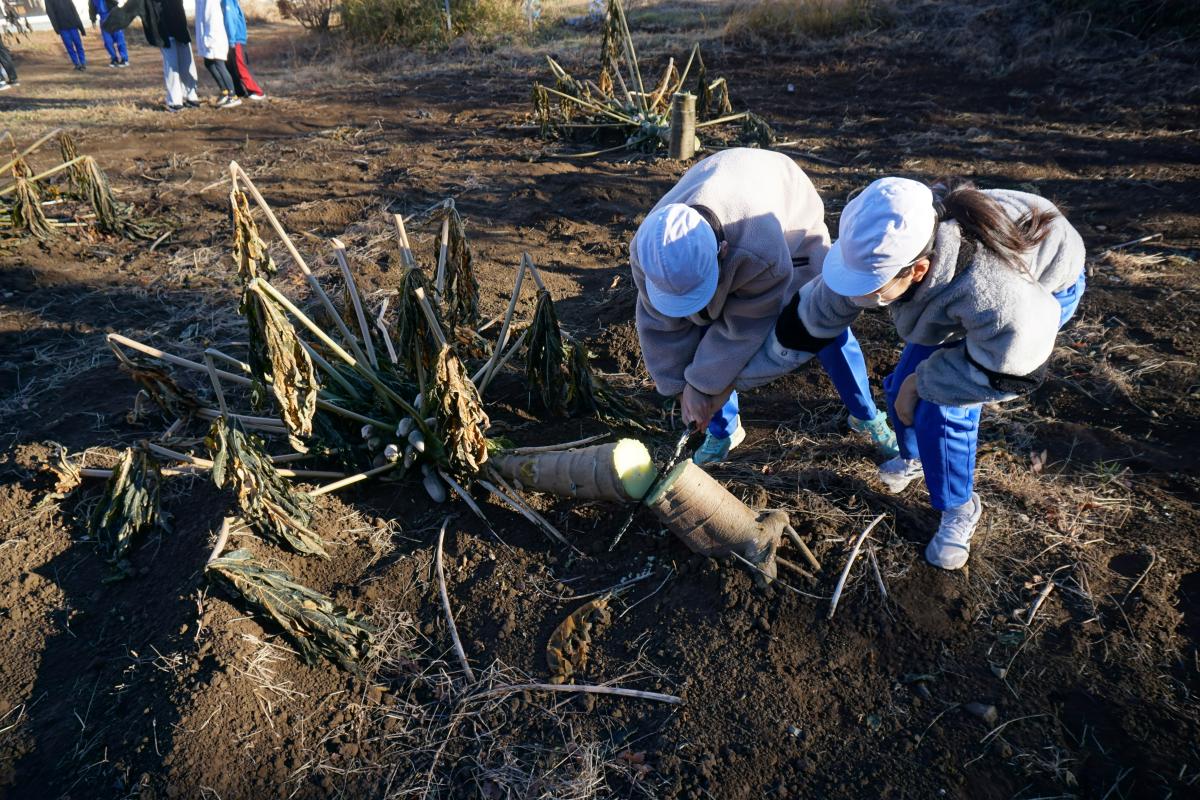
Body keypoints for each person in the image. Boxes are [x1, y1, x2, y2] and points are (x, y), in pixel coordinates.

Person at [748, 176, 1086, 569]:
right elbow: (812, 317)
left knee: (942, 410)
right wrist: (726, 382)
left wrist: (924, 383)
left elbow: (1008, 364)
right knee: (899, 387)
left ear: (918, 270)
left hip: (1039, 292)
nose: (856, 299)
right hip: (955, 292)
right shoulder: (878, 245)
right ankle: (915, 457)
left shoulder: (995, 292)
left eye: (870, 288)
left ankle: (959, 507)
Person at [629, 148, 898, 466]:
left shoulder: (761, 251)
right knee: (703, 327)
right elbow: (659, 323)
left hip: (790, 215)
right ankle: (723, 430)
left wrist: (704, 386)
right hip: (731, 189)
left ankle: (865, 414)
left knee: (823, 321)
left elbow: (745, 328)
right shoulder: (650, 251)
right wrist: (681, 388)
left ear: (723, 251)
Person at [104, 0, 201, 111]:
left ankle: (187, 97)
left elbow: (129, 9)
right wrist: (109, 24)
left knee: (183, 64)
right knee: (174, 66)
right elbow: (129, 10)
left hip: (179, 30)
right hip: (167, 33)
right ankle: (177, 101)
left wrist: (108, 24)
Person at [195, 0, 240, 107]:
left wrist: (209, 38)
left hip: (214, 36)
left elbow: (211, 18)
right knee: (209, 63)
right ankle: (224, 91)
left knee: (219, 65)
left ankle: (233, 96)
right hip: (206, 35)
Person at [222, 0, 265, 99]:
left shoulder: (226, 1)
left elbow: (230, 20)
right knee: (231, 66)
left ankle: (257, 91)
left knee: (239, 66)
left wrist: (231, 40)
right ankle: (239, 91)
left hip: (234, 39)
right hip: (232, 38)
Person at [46, 0, 87, 70]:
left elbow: (74, 10)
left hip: (73, 24)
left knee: (78, 44)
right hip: (62, 27)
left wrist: (81, 27)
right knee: (69, 46)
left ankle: (83, 62)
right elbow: (51, 14)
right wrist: (56, 28)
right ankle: (77, 63)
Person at [89, 0, 129, 67]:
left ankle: (124, 59)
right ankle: (114, 59)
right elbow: (91, 9)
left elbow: (116, 3)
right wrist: (93, 20)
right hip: (103, 19)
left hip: (113, 16)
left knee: (119, 39)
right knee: (107, 42)